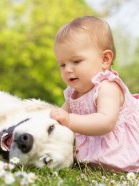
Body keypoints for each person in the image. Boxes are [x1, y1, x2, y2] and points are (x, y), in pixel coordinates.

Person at [50, 16, 139, 172]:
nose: (68, 69)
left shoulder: (108, 86)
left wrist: (69, 120)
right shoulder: (73, 92)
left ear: (105, 59)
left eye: (76, 61)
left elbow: (106, 122)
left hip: (122, 144)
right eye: (62, 65)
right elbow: (61, 118)